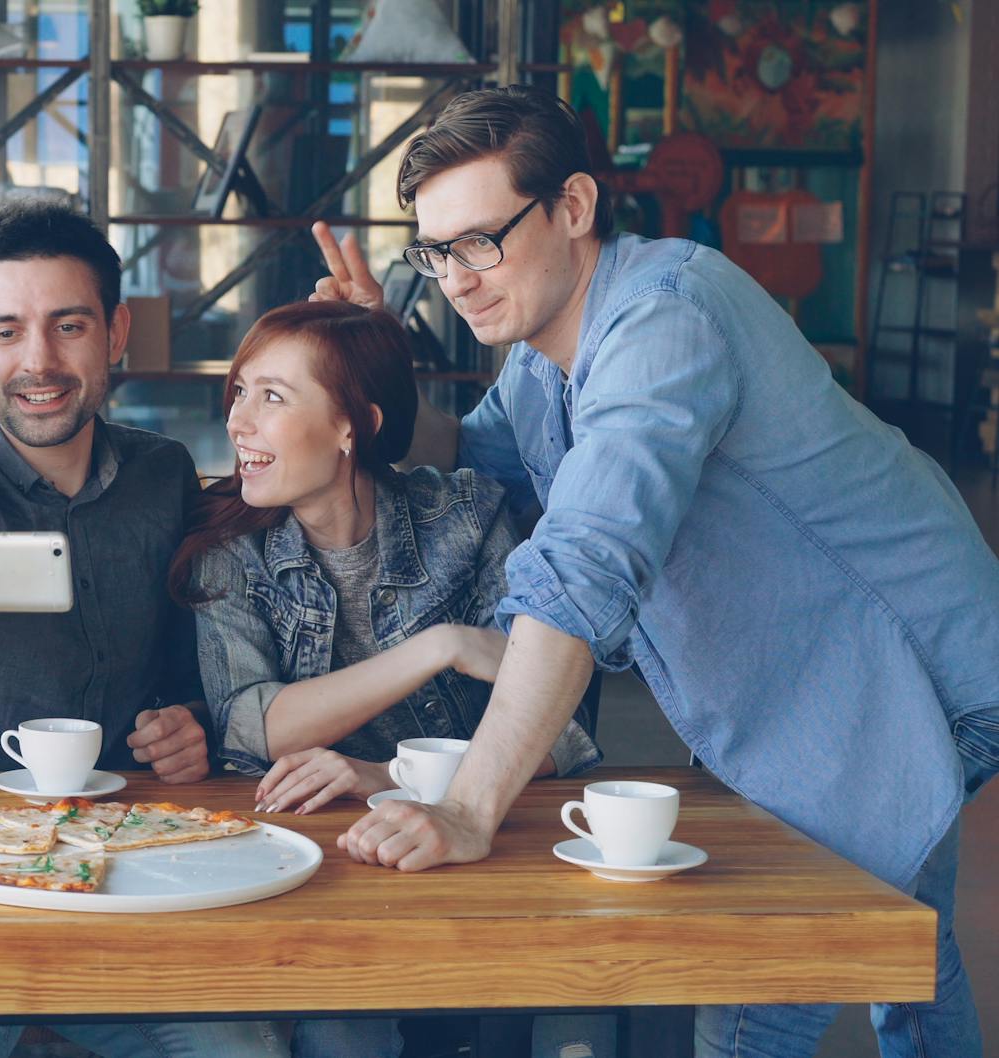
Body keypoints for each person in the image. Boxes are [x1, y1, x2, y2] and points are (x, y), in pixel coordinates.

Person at [309, 84, 999, 1058]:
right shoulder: (546, 356)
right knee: (909, 957)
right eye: (434, 251)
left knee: (758, 989)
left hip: (908, 664)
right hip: (822, 674)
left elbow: (583, 566)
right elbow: (468, 453)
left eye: (480, 239)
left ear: (574, 207)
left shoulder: (664, 320)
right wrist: (371, 361)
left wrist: (467, 805)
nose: (456, 278)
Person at [0, 202, 287, 1058]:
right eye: (6, 331)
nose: (39, 362)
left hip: (136, 861)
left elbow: (191, 661)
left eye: (69, 325)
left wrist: (190, 724)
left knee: (244, 1044)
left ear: (116, 331)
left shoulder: (164, 474)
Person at [173, 299, 599, 1058]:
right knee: (345, 1023)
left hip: (488, 852)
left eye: (271, 396)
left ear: (351, 426)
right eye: (239, 391)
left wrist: (378, 773)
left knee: (586, 1005)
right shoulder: (227, 545)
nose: (238, 421)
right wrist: (436, 646)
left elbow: (559, 731)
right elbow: (252, 725)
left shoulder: (465, 519)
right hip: (323, 866)